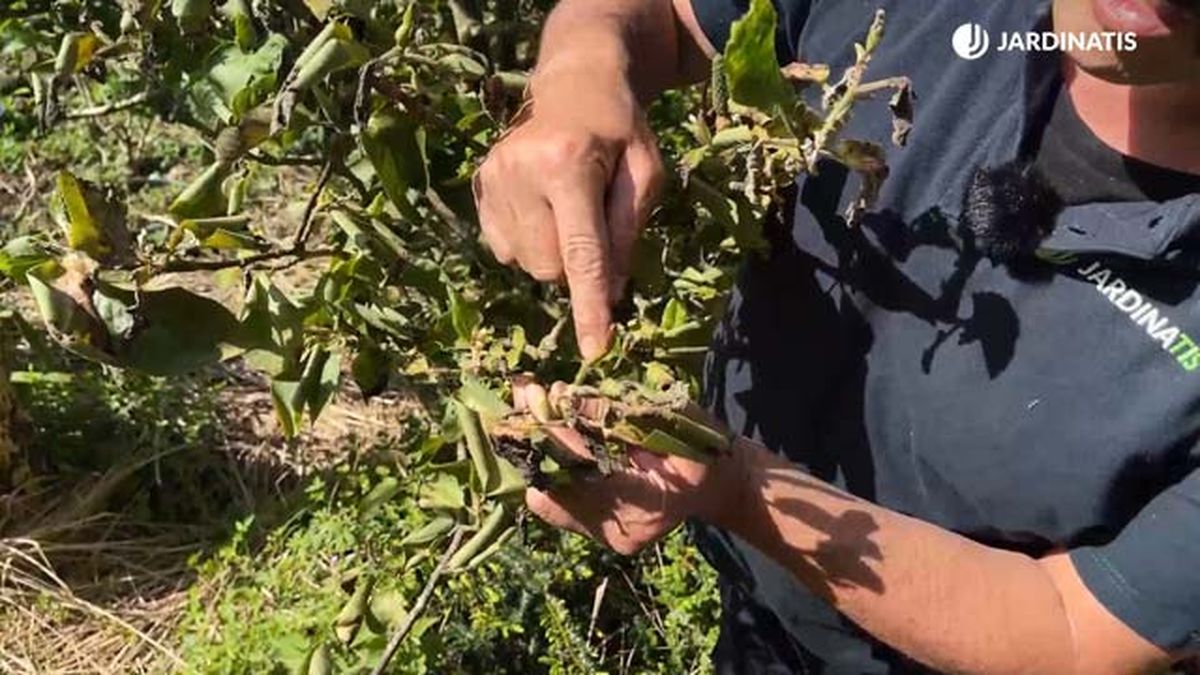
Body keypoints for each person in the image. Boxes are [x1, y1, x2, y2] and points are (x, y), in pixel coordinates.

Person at [471, 0, 1200, 672]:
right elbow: (659, 14)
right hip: (754, 617)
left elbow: (1073, 629)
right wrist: (577, 74)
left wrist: (744, 490)